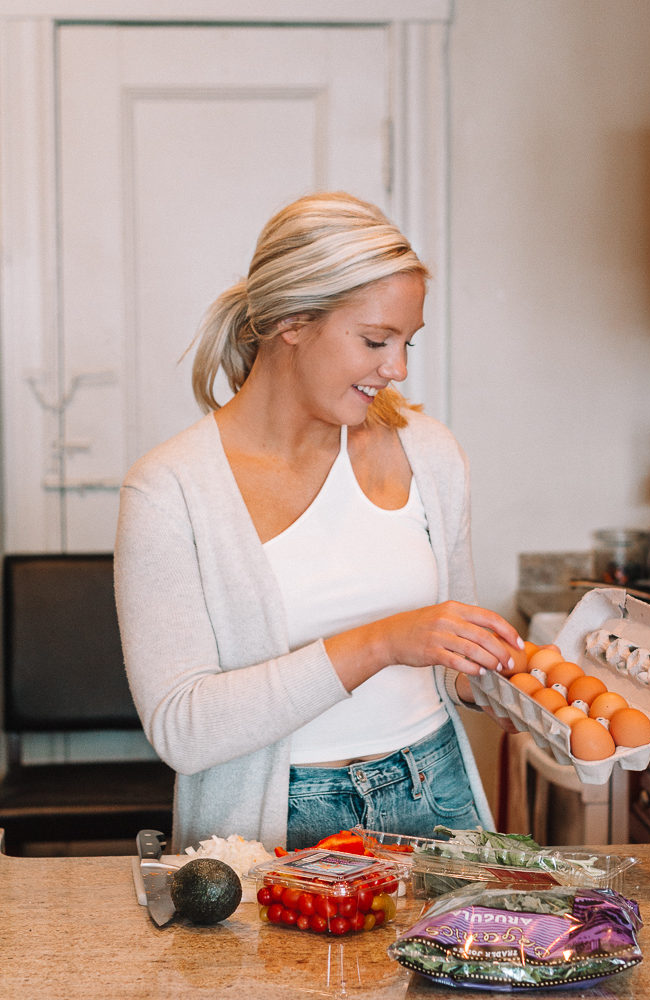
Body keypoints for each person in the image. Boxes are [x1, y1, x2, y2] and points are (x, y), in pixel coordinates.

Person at [114, 191, 525, 853]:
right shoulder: (171, 490)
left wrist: (517, 687)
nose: (398, 369)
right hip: (276, 828)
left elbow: (452, 660)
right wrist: (384, 641)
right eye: (374, 340)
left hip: (436, 791)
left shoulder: (430, 453)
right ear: (292, 320)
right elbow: (183, 730)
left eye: (407, 342)